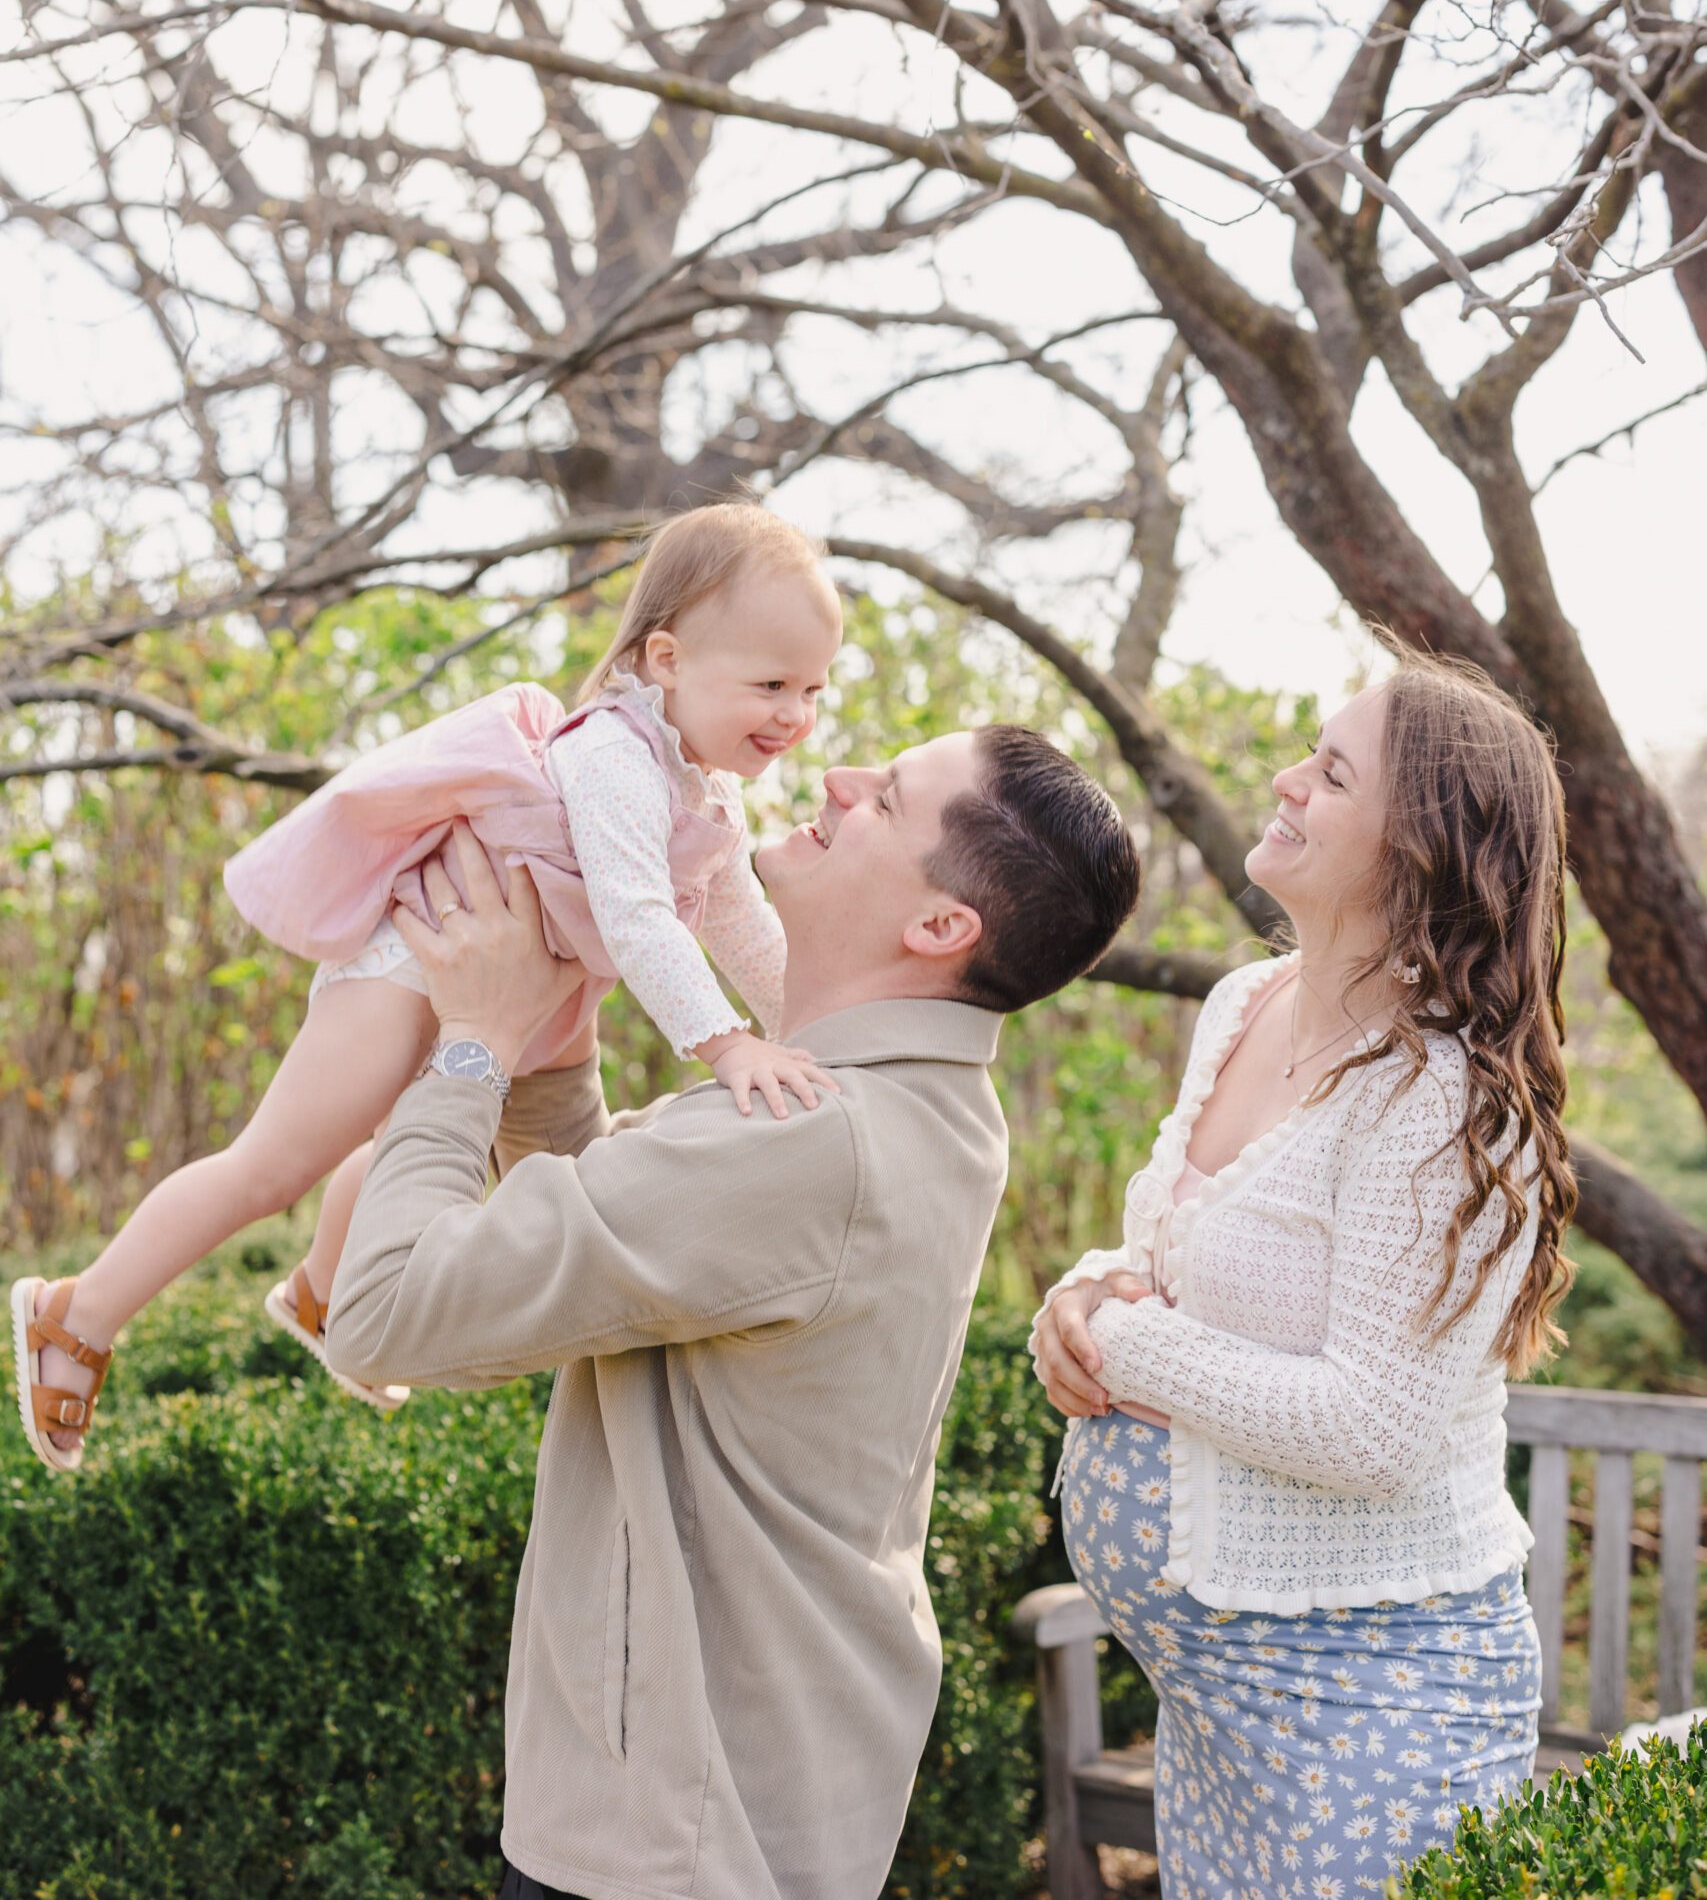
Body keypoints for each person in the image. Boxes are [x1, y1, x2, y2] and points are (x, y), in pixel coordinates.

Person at [322, 723, 1141, 1900]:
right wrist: (551, 1047)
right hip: (754, 1805)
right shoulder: (927, 1105)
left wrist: (473, 1047)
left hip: (671, 1838)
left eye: (884, 798)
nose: (837, 779)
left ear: (940, 925)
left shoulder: (807, 1140)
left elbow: (384, 1311)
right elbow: (631, 1243)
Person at [10, 503, 845, 1465]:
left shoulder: (706, 787)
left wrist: (816, 1023)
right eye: (770, 684)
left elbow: (740, 922)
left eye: (812, 690)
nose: (794, 715)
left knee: (450, 1150)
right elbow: (636, 916)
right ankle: (77, 1312)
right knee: (274, 1165)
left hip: (531, 990)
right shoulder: (617, 750)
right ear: (666, 660)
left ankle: (326, 1288)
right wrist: (728, 1044)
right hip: (415, 966)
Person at [1031, 649, 1575, 1900]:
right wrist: (1086, 1290)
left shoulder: (1444, 1098)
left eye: (1332, 773)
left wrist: (1121, 1342)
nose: (1285, 779)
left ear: (1421, 848)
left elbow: (1371, 1426)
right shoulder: (1245, 1002)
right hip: (1216, 1703)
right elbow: (1183, 1251)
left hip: (1371, 1703)